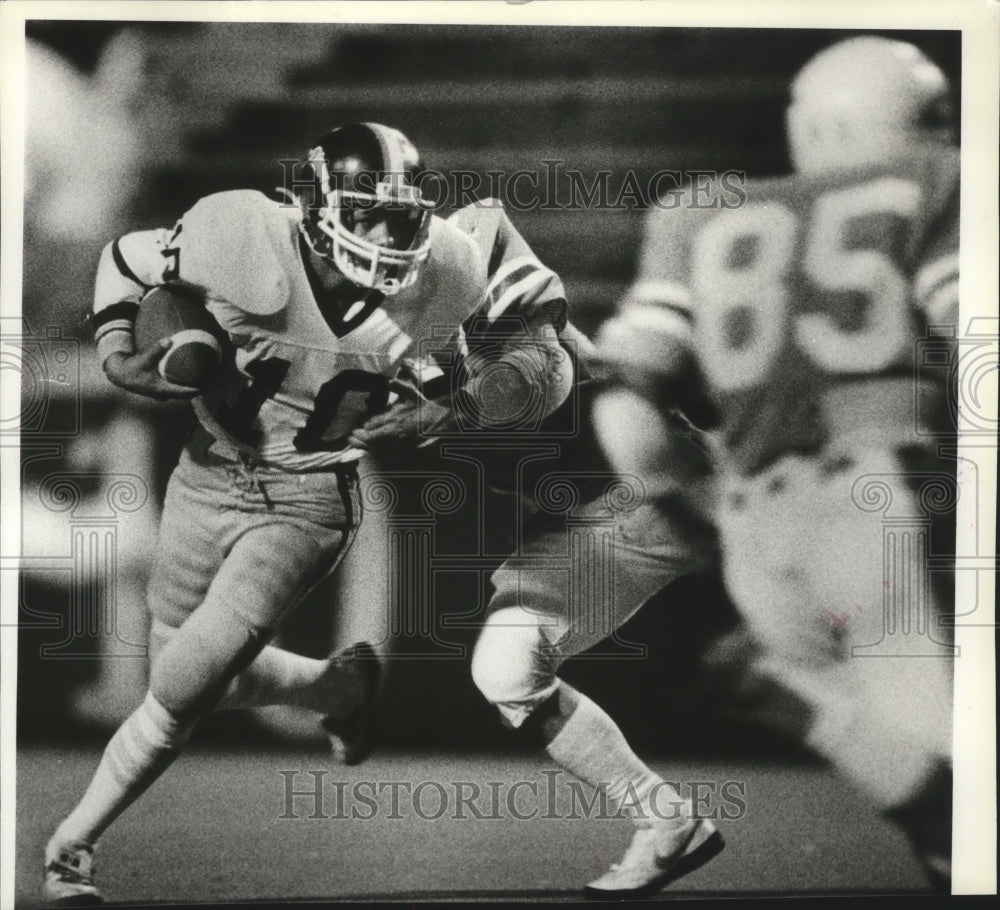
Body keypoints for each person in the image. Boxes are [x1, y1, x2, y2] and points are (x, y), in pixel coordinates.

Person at [43, 122, 489, 905]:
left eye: (401, 216)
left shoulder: (444, 274)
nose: (389, 235)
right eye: (366, 213)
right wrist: (121, 350)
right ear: (316, 206)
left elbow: (486, 365)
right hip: (208, 475)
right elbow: (125, 260)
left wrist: (450, 400)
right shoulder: (241, 230)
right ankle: (331, 690)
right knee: (192, 662)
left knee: (180, 684)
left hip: (310, 498)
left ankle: (72, 844)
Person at [592, 37, 958, 890]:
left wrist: (699, 508)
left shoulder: (696, 212)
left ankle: (800, 697)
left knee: (940, 810)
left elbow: (627, 418)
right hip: (885, 497)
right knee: (966, 803)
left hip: (758, 524)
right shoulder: (941, 183)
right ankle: (813, 709)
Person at [352, 199, 726, 898]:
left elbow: (540, 372)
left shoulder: (473, 244)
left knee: (866, 623)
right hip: (596, 527)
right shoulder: (346, 339)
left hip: (676, 478)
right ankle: (667, 821)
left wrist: (445, 410)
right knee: (506, 667)